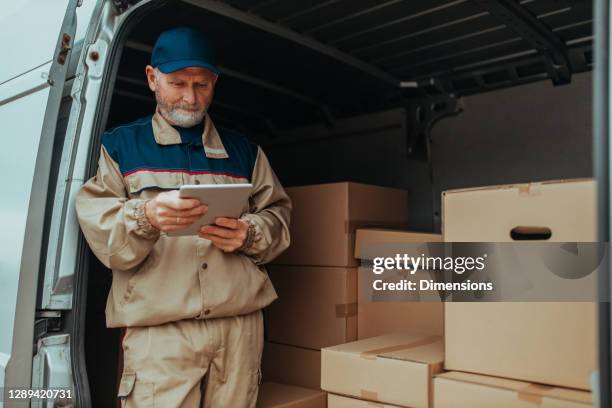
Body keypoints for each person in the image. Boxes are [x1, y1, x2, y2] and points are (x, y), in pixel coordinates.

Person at [75, 26, 291, 407]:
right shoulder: (119, 147)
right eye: (177, 83)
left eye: (202, 85)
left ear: (215, 83)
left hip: (239, 330)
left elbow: (279, 216)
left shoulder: (245, 152)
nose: (191, 98)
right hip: (162, 335)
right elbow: (102, 232)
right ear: (151, 78)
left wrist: (250, 234)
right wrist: (146, 217)